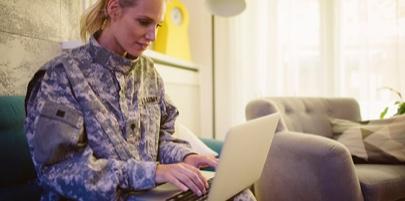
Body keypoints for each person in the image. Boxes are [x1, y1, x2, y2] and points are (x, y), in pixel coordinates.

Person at [24, 0, 256, 200]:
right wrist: (153, 172)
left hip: (151, 195)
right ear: (114, 9)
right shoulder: (59, 77)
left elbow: (162, 139)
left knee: (239, 194)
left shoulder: (149, 73)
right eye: (144, 22)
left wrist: (186, 157)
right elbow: (60, 171)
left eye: (158, 25)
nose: (153, 36)